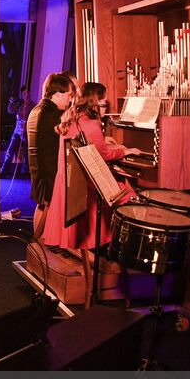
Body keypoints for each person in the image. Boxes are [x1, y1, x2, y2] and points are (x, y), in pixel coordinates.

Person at [39, 82, 141, 252]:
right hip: (85, 182)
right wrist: (125, 151)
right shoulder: (92, 123)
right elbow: (104, 155)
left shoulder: (72, 116)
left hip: (68, 178)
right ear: (94, 102)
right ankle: (121, 247)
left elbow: (91, 144)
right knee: (129, 194)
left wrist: (107, 143)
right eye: (103, 104)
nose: (105, 110)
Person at [27, 73, 75, 240]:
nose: (70, 101)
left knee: (42, 206)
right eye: (69, 95)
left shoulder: (37, 109)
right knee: (48, 207)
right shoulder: (53, 114)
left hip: (38, 168)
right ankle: (41, 245)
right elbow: (71, 136)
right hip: (49, 171)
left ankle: (38, 246)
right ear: (58, 94)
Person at [2, 86, 34, 175]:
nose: (26, 95)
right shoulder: (20, 103)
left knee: (26, 152)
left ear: (30, 93)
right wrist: (11, 103)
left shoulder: (33, 105)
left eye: (27, 93)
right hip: (17, 131)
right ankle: (4, 170)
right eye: (24, 94)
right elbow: (10, 111)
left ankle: (25, 171)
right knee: (10, 150)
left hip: (26, 131)